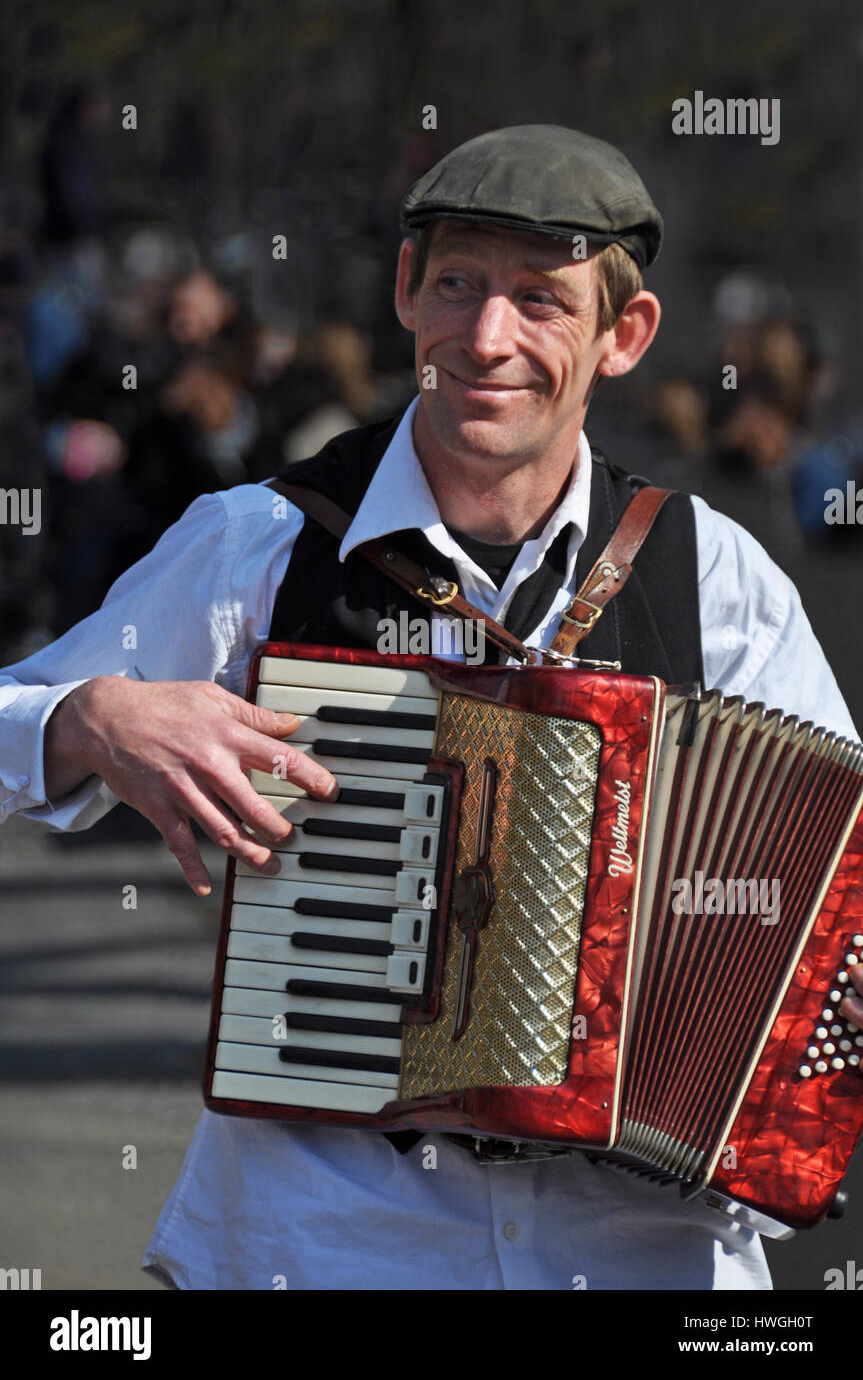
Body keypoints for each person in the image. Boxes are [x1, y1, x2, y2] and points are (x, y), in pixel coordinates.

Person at [2, 124, 861, 1291]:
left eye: (540, 300)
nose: (486, 336)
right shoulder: (264, 543)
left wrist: (784, 1103)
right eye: (456, 285)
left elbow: (835, 905)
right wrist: (92, 716)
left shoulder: (714, 578)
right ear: (407, 292)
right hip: (325, 1242)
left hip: (639, 1260)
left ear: (624, 336)